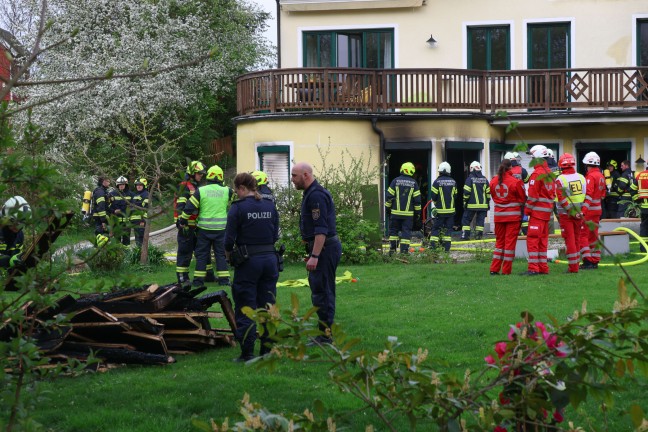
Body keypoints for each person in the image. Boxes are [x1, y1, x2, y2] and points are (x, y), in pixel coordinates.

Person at [225, 172, 280, 362]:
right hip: (270, 260)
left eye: (237, 190)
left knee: (245, 306)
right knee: (267, 305)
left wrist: (229, 255)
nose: (236, 194)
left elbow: (228, 240)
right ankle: (268, 349)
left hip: (249, 262)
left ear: (241, 188)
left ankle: (247, 352)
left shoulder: (237, 208)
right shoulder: (269, 205)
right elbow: (275, 235)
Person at [291, 162, 342, 345]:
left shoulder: (316, 196)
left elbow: (321, 229)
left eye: (294, 176)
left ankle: (325, 336)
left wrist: (315, 255)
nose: (292, 180)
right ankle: (324, 332)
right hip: (324, 248)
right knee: (321, 290)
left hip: (325, 249)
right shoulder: (311, 193)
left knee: (323, 292)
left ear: (306, 175)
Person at [179, 164, 233, 287]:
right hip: (220, 230)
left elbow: (189, 207)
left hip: (204, 230)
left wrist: (183, 220)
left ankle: (198, 281)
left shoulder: (201, 191)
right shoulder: (227, 191)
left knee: (202, 255)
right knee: (220, 255)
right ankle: (224, 280)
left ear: (208, 176)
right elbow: (238, 201)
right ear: (221, 177)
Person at [175, 161, 213, 286]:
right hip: (186, 226)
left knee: (203, 251)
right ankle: (182, 278)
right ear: (191, 173)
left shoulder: (195, 187)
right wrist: (182, 222)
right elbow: (180, 206)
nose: (201, 175)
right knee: (185, 253)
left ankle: (209, 276)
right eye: (199, 173)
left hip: (197, 226)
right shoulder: (184, 187)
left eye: (202, 174)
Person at [522, 145, 556, 276]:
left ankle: (533, 268)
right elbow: (552, 194)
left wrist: (526, 212)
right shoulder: (550, 173)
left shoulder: (537, 174)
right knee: (542, 241)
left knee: (532, 240)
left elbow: (532, 196)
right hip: (547, 213)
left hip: (537, 213)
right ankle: (543, 267)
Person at [489, 160, 526, 275]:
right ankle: (506, 271)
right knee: (509, 244)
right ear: (510, 168)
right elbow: (522, 199)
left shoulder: (493, 181)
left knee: (499, 243)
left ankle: (494, 269)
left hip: (499, 217)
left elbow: (494, 197)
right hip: (513, 218)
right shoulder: (516, 182)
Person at [555, 153, 586, 273]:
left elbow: (561, 199)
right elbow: (586, 196)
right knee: (577, 239)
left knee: (570, 240)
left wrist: (572, 212)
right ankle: (576, 265)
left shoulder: (560, 179)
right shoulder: (582, 177)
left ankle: (573, 268)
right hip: (579, 213)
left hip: (566, 214)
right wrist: (582, 212)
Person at [385, 162, 422, 254]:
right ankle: (404, 252)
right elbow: (417, 201)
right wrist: (417, 214)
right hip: (408, 215)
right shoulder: (414, 183)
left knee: (393, 232)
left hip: (395, 213)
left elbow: (389, 197)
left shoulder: (395, 181)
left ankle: (392, 251)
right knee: (406, 232)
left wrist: (388, 209)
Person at [580, 152, 607, 269]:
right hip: (598, 210)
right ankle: (595, 260)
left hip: (589, 211)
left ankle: (587, 261)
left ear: (587, 164)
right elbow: (603, 195)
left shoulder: (591, 176)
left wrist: (583, 210)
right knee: (594, 235)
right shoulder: (601, 176)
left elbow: (588, 194)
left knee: (583, 235)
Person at [429, 162, 457, 251]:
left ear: (440, 171)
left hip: (440, 212)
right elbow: (455, 196)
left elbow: (433, 196)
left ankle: (433, 248)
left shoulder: (437, 182)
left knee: (436, 229)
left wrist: (437, 204)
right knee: (448, 230)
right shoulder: (453, 182)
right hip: (451, 212)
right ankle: (446, 249)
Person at [461, 161, 490, 240]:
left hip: (471, 205)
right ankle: (478, 237)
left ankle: (465, 236)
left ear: (472, 169)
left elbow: (466, 193)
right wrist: (487, 203)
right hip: (483, 205)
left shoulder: (469, 179)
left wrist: (465, 203)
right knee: (480, 222)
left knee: (466, 220)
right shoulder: (485, 179)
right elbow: (488, 193)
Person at [0, 196, 30, 270]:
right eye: (15, 222)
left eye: (22, 223)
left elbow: (15, 255)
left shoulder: (19, 236)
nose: (17, 227)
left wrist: (16, 261)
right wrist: (6, 261)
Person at [508, 152, 530, 234]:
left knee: (514, 215)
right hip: (522, 196)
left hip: (511, 197)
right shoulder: (522, 170)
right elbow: (527, 180)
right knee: (524, 213)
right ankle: (525, 231)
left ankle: (516, 231)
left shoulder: (507, 171)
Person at [108, 175, 132, 246]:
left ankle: (127, 255)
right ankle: (118, 256)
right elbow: (108, 207)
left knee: (126, 241)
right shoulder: (112, 194)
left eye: (123, 184)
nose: (121, 186)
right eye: (120, 184)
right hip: (116, 223)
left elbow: (132, 206)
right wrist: (113, 211)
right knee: (116, 241)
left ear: (126, 185)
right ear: (117, 185)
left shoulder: (130, 194)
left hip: (127, 223)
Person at [631, 161, 648, 253]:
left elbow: (632, 189)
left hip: (645, 207)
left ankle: (644, 249)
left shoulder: (640, 175)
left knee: (645, 227)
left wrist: (637, 200)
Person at [130, 178, 149, 247]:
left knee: (141, 240)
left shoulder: (145, 195)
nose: (138, 186)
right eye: (137, 185)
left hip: (141, 221)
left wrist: (142, 220)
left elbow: (145, 208)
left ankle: (142, 255)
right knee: (137, 239)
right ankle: (139, 255)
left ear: (144, 186)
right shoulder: (136, 195)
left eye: (140, 185)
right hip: (135, 221)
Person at [92, 176, 110, 247]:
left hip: (100, 217)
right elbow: (101, 207)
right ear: (104, 181)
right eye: (108, 181)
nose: (109, 183)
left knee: (101, 236)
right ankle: (98, 252)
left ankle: (98, 251)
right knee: (101, 236)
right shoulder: (100, 192)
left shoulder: (103, 191)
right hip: (100, 218)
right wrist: (103, 221)